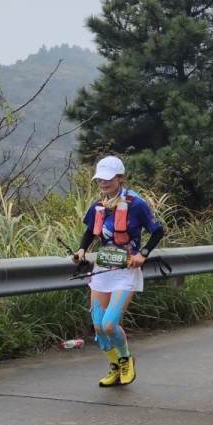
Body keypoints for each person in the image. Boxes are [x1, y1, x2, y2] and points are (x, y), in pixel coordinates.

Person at [73, 156, 164, 387]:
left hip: (125, 269)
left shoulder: (136, 203)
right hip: (103, 268)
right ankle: (114, 366)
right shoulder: (99, 205)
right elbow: (90, 232)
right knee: (98, 326)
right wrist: (82, 250)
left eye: (108, 178)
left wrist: (142, 254)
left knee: (110, 324)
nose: (103, 183)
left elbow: (157, 230)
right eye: (100, 179)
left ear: (120, 178)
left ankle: (125, 359)